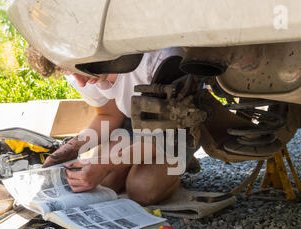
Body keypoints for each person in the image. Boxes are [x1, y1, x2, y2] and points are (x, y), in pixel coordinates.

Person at [25, 46, 195, 206]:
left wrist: (104, 164)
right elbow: (109, 115)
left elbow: (161, 139)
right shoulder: (85, 71)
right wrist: (72, 148)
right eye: (70, 73)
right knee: (104, 183)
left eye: (78, 70)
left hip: (174, 133)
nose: (81, 83)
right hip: (134, 124)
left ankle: (181, 163)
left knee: (142, 188)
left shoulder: (160, 59)